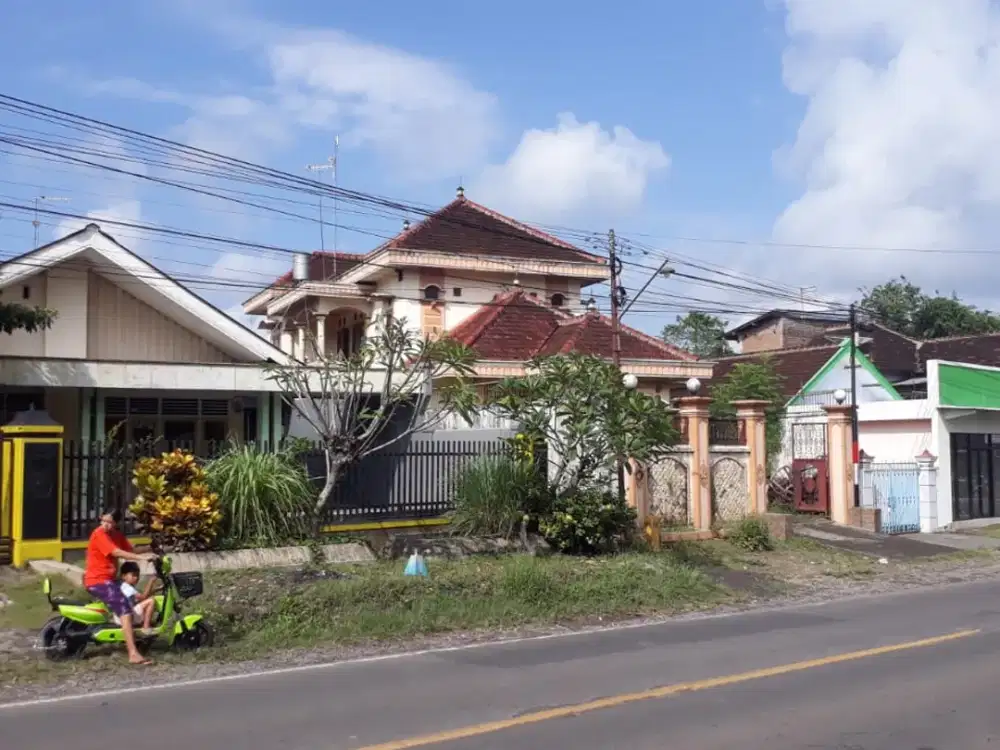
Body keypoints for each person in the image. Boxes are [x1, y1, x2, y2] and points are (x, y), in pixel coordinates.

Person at [83, 510, 157, 665]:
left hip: (110, 580)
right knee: (124, 607)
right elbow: (116, 552)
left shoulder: (116, 535)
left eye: (109, 522)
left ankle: (134, 633)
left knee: (129, 600)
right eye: (103, 521)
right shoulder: (99, 534)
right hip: (97, 581)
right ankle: (133, 653)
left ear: (116, 523)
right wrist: (141, 558)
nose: (105, 524)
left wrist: (151, 549)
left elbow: (130, 550)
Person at [117, 561, 158, 633]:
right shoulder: (128, 588)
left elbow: (140, 597)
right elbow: (143, 597)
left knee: (145, 601)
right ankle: (146, 627)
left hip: (121, 616)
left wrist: (157, 589)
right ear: (123, 576)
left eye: (137, 575)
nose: (136, 578)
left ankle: (146, 623)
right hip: (126, 618)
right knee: (151, 601)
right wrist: (151, 581)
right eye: (133, 575)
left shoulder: (124, 586)